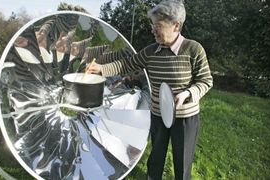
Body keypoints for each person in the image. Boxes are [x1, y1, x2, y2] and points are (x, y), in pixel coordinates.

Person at [86, 0, 213, 179]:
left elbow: (206, 80)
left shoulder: (193, 49)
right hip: (158, 114)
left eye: (158, 26)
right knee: (156, 156)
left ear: (176, 25)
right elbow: (126, 64)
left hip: (185, 117)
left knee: (182, 160)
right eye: (152, 25)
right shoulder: (151, 51)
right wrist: (102, 68)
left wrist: (188, 93)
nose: (153, 30)